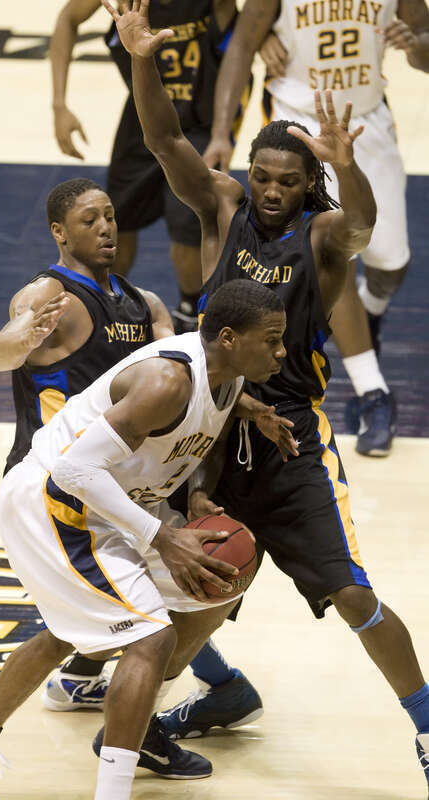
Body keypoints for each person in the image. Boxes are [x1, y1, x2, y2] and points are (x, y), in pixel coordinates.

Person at [100, 0, 429, 791]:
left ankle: (425, 727)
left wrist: (344, 161)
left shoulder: (319, 238)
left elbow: (360, 222)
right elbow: (163, 141)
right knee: (181, 592)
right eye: (263, 178)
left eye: (288, 181)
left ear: (305, 183)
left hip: (288, 442)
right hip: (206, 442)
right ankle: (160, 709)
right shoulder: (222, 206)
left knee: (350, 593)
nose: (272, 191)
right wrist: (141, 57)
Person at [0, 178, 281, 800]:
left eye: (111, 216)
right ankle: (70, 759)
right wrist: (21, 336)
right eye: (89, 218)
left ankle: (84, 720)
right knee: (145, 633)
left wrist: (237, 419)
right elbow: (2, 352)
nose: (105, 226)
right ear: (59, 231)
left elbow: (191, 390)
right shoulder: (51, 294)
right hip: (56, 483)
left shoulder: (144, 306)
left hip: (120, 480)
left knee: (206, 583)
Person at [203, 0, 429, 456]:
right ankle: (372, 391)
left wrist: (415, 47)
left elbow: (426, 46)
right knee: (323, 253)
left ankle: (367, 314)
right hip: (297, 123)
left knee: (390, 263)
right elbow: (243, 42)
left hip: (362, 122)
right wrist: (221, 132)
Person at [50, 0, 252, 332]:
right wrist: (59, 104)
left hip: (199, 121)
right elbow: (67, 19)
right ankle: (105, 305)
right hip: (144, 114)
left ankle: (191, 314)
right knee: (115, 218)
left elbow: (245, 35)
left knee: (189, 222)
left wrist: (222, 133)